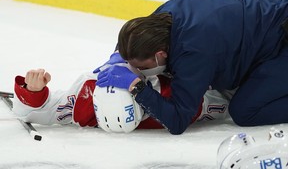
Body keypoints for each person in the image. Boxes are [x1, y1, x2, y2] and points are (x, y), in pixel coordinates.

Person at [95, 0, 288, 135]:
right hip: (274, 19)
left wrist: (137, 86)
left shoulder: (194, 52)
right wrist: (117, 56)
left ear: (160, 54)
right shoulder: (165, 13)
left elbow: (178, 121)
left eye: (140, 67)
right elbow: (133, 36)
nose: (135, 69)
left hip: (282, 39)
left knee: (244, 111)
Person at [12, 67, 230, 132]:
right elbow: (33, 110)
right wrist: (33, 91)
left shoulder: (85, 99)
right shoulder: (85, 104)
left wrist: (33, 93)